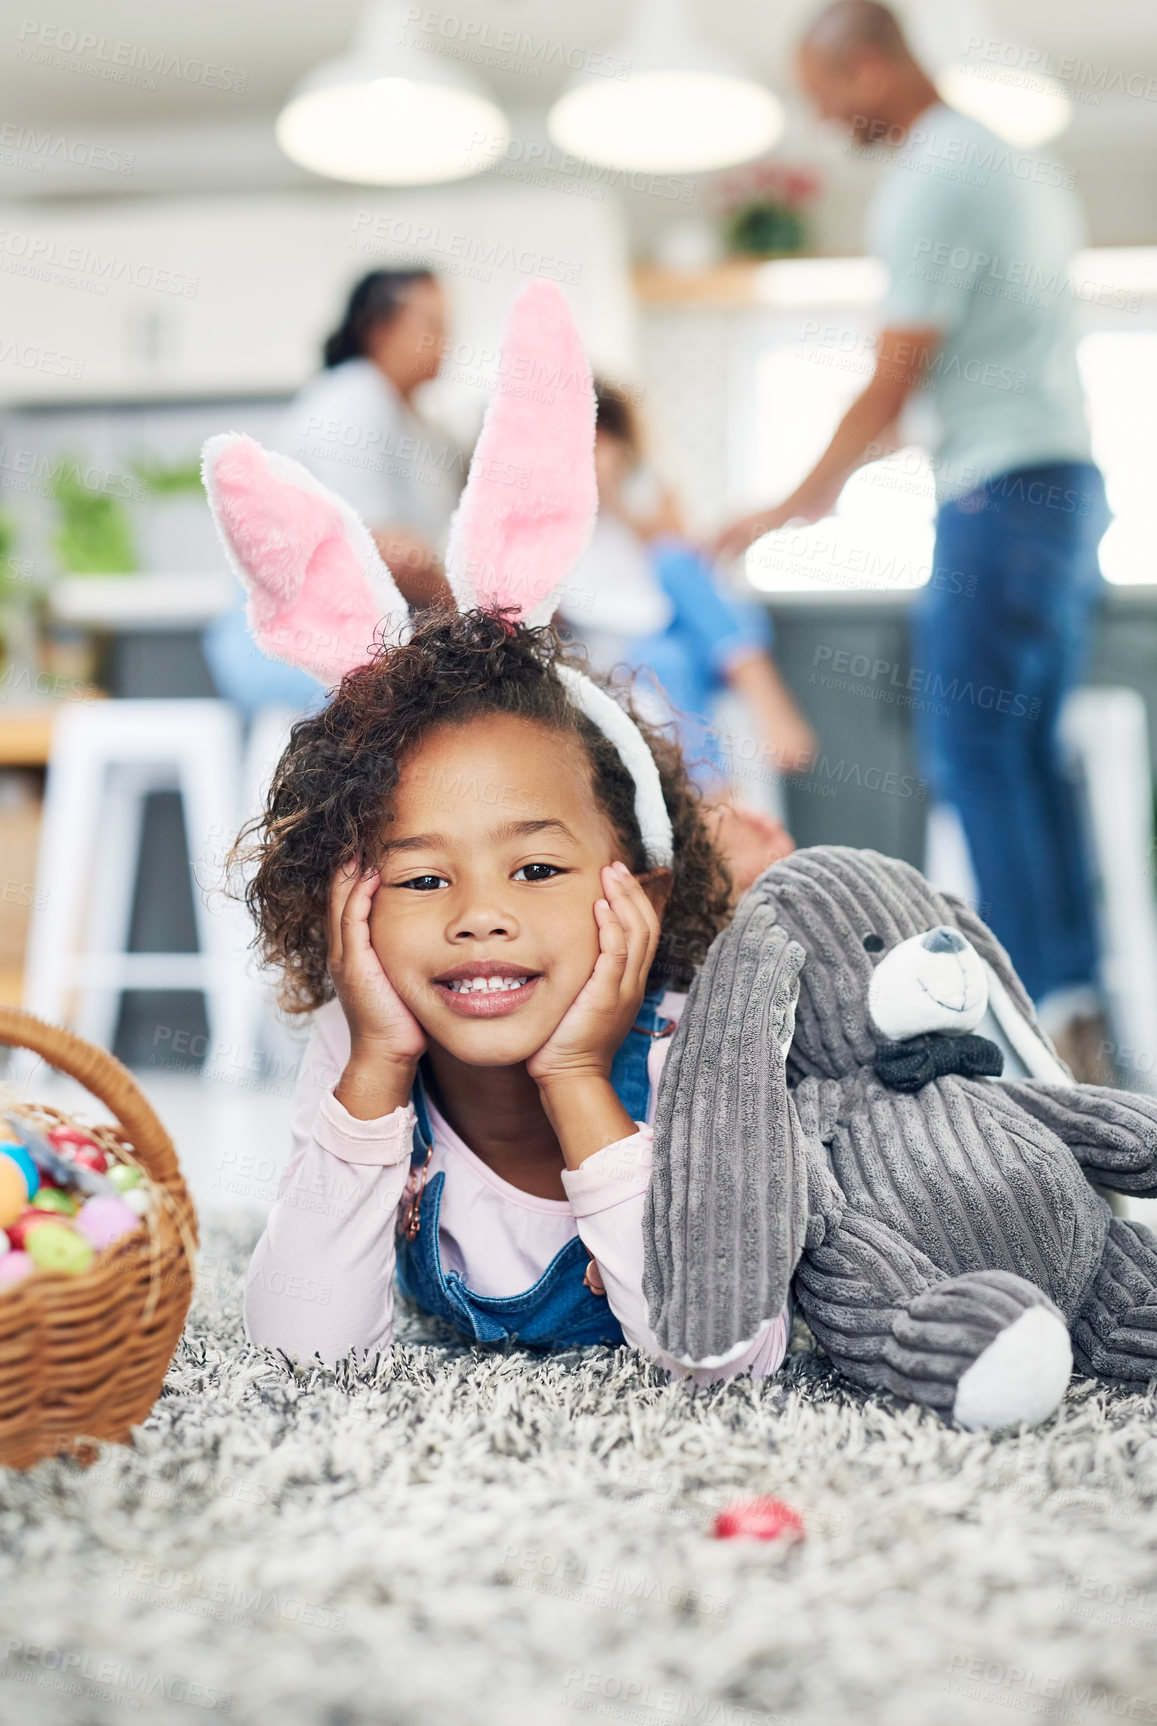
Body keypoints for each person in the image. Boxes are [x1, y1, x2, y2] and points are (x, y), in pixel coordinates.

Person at [714, 0, 1111, 1075]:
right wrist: (837, 484)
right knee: (1019, 760)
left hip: (1001, 502)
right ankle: (1074, 1009)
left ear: (870, 66)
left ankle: (1028, 1023)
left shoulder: (931, 175)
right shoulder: (1009, 164)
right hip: (1059, 490)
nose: (823, 115)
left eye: (823, 90)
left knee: (975, 756)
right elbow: (966, 379)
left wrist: (782, 502)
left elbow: (896, 374)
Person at [240, 609, 791, 1381]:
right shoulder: (367, 1041)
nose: (480, 919)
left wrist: (574, 1077)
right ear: (344, 913)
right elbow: (296, 1352)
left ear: (645, 898)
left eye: (535, 869)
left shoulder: (696, 1049)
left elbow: (724, 1359)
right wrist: (375, 1065)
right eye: (422, 880)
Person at [561, 381, 817, 892]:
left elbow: (685, 551)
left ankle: (759, 688)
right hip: (627, 638)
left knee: (677, 563)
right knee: (665, 660)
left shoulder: (640, 489)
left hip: (678, 617)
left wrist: (623, 498)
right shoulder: (545, 505)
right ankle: (719, 807)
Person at [204, 268, 457, 714]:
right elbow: (384, 548)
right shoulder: (353, 399)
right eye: (431, 326)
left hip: (346, 637)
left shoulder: (419, 422)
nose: (446, 342)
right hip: (287, 643)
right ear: (379, 331)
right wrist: (470, 606)